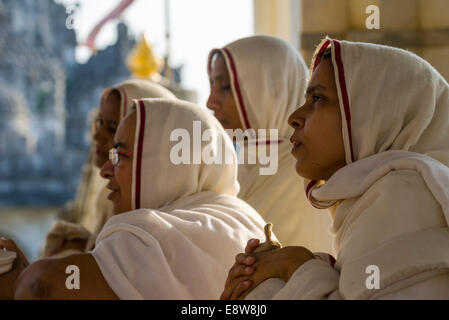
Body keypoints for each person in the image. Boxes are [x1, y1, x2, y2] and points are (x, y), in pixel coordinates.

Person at [221, 38, 449, 300]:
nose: (294, 117)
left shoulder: (404, 193)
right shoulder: (378, 195)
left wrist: (293, 265)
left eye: (317, 98)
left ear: (370, 115)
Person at [0, 98, 266, 299]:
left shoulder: (157, 233)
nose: (105, 170)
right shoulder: (239, 215)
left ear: (165, 165)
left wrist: (17, 276)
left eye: (120, 156)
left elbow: (42, 285)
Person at [207, 35, 333, 252]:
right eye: (212, 86)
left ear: (269, 91)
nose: (211, 102)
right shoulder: (233, 169)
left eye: (226, 87)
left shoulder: (309, 176)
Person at [42, 79, 176, 258]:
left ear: (149, 141)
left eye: (113, 127)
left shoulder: (154, 222)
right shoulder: (108, 197)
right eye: (99, 122)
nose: (97, 135)